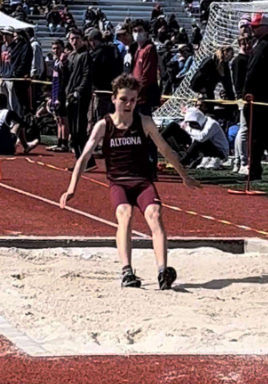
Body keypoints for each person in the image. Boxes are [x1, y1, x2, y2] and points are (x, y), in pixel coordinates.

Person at [60, 74, 200, 289]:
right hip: (119, 183)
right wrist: (71, 189)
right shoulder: (103, 125)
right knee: (124, 215)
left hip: (143, 182)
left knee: (155, 215)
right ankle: (126, 271)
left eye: (133, 100)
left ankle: (163, 271)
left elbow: (165, 149)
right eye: (124, 99)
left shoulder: (144, 122)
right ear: (114, 99)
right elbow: (84, 157)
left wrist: (184, 176)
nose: (128, 104)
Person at [63, 28, 96, 171]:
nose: (74, 41)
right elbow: (68, 75)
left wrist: (79, 91)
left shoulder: (85, 55)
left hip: (80, 97)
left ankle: (86, 161)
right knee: (74, 132)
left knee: (79, 131)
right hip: (71, 95)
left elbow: (86, 75)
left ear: (82, 39)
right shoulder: (71, 56)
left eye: (76, 38)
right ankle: (81, 160)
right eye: (72, 39)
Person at [244, 13, 268, 181]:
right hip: (261, 96)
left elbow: (253, 71)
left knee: (255, 137)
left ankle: (254, 172)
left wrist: (247, 91)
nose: (253, 29)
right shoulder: (260, 44)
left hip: (258, 97)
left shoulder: (263, 46)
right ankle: (254, 170)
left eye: (256, 26)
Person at [231, 32, 253, 175]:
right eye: (244, 43)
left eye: (248, 43)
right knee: (244, 130)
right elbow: (238, 82)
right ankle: (242, 161)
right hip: (243, 98)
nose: (247, 46)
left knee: (244, 129)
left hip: (248, 98)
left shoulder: (248, 58)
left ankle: (239, 161)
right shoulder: (239, 60)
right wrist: (240, 97)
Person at [190, 46, 235, 112]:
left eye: (231, 55)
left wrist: (233, 101)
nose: (229, 57)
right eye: (228, 54)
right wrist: (199, 88)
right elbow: (198, 75)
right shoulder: (210, 61)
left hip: (210, 90)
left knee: (211, 106)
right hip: (202, 89)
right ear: (224, 52)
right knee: (204, 105)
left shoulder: (225, 66)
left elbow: (228, 84)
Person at [46, 39, 69, 152]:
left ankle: (64, 143)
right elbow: (54, 81)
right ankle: (59, 142)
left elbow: (64, 81)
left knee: (63, 119)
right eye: (54, 48)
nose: (56, 50)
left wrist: (59, 97)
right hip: (55, 93)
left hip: (62, 94)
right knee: (58, 119)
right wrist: (51, 96)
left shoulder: (64, 63)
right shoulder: (55, 62)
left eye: (58, 48)